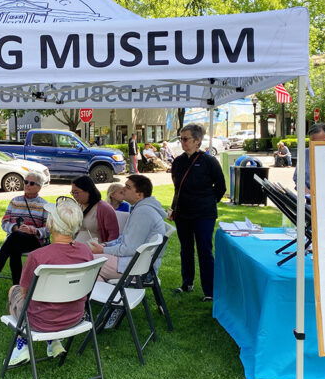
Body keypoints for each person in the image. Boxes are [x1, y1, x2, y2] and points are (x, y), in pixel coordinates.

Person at [7, 197, 94, 365]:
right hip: (75, 317)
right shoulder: (85, 251)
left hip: (41, 321)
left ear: (51, 224)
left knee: (14, 290)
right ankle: (53, 342)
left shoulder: (37, 256)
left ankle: (22, 346)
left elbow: (25, 294)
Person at [169, 123, 226, 301]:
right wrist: (174, 208)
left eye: (185, 139)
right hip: (183, 214)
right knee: (186, 249)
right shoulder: (178, 162)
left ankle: (209, 291)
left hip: (203, 214)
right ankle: (187, 283)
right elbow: (177, 188)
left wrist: (207, 202)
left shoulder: (209, 161)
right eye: (181, 139)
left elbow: (221, 187)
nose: (182, 142)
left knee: (204, 250)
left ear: (197, 141)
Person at [89, 174, 167, 282]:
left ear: (139, 195)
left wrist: (103, 250)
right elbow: (124, 240)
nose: (123, 189)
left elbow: (128, 249)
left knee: (89, 262)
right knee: (91, 267)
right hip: (134, 263)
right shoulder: (141, 208)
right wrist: (106, 245)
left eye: (128, 187)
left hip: (138, 269)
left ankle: (102, 296)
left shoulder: (143, 212)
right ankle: (103, 296)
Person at [0, 171, 49, 286]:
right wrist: (15, 227)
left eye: (31, 183)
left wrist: (33, 230)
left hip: (34, 241)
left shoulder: (44, 205)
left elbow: (49, 230)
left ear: (39, 187)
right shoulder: (15, 201)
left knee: (14, 239)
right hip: (15, 239)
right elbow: (4, 222)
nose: (27, 185)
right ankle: (18, 286)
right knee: (15, 245)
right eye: (25, 182)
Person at [70, 175, 120, 244]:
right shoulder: (79, 207)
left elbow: (113, 234)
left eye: (76, 192)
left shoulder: (104, 208)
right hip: (77, 248)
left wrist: (105, 249)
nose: (74, 196)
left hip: (96, 251)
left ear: (88, 191)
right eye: (72, 193)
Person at [293, 123, 325, 196]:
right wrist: (305, 189)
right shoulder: (304, 154)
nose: (319, 146)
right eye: (315, 143)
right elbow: (297, 178)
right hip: (311, 198)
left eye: (323, 143)